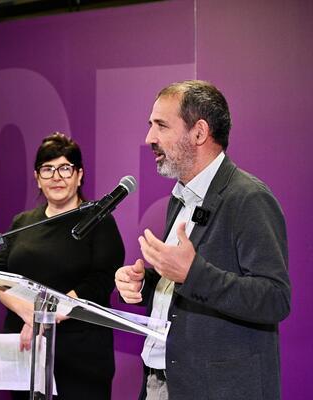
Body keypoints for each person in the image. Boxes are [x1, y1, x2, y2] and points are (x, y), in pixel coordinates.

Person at [115, 80, 291, 400]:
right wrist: (146, 284)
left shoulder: (248, 198)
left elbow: (275, 298)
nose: (149, 138)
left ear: (198, 133)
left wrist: (191, 273)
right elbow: (183, 287)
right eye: (150, 125)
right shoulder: (180, 197)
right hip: (163, 381)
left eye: (161, 126)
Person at [0, 132, 125, 399]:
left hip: (81, 355)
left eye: (65, 168)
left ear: (79, 175)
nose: (56, 176)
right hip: (28, 348)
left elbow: (101, 280)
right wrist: (31, 315)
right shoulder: (23, 222)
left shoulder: (97, 219)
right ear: (37, 178)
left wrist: (45, 316)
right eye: (47, 169)